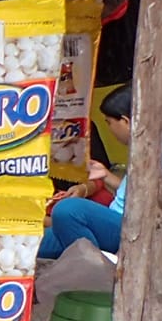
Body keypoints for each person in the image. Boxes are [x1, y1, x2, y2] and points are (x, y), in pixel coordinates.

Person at [40, 84, 131, 259]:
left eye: (109, 123)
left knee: (67, 210)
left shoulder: (150, 155)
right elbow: (130, 194)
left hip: (126, 227)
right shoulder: (134, 152)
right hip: (110, 221)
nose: (110, 129)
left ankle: (96, 266)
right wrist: (105, 175)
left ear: (125, 122)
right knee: (36, 244)